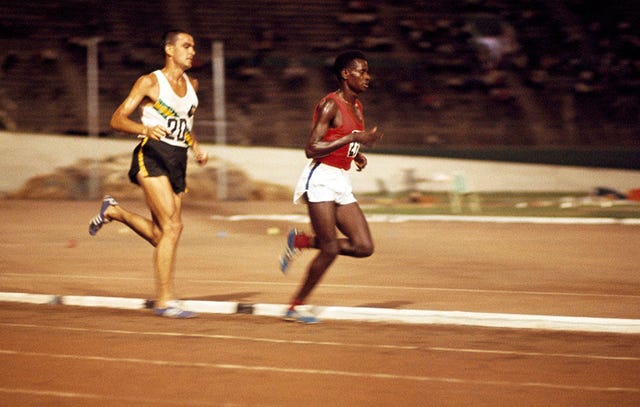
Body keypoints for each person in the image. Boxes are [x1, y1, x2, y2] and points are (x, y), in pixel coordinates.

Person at [88, 29, 208, 318]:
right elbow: (117, 119)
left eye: (193, 46)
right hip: (152, 154)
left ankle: (115, 212)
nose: (191, 51)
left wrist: (196, 147)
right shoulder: (150, 82)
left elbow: (183, 125)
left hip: (178, 160)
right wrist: (145, 128)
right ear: (169, 49)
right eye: (186, 46)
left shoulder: (192, 84)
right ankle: (164, 301)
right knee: (173, 228)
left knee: (161, 234)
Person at [279, 50, 383, 324]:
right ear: (346, 74)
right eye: (361, 71)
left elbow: (342, 140)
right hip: (321, 178)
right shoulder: (330, 105)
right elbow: (311, 148)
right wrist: (353, 137)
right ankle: (294, 307)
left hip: (340, 179)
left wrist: (355, 152)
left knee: (363, 246)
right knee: (330, 250)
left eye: (367, 71)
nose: (367, 76)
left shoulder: (357, 106)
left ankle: (302, 241)